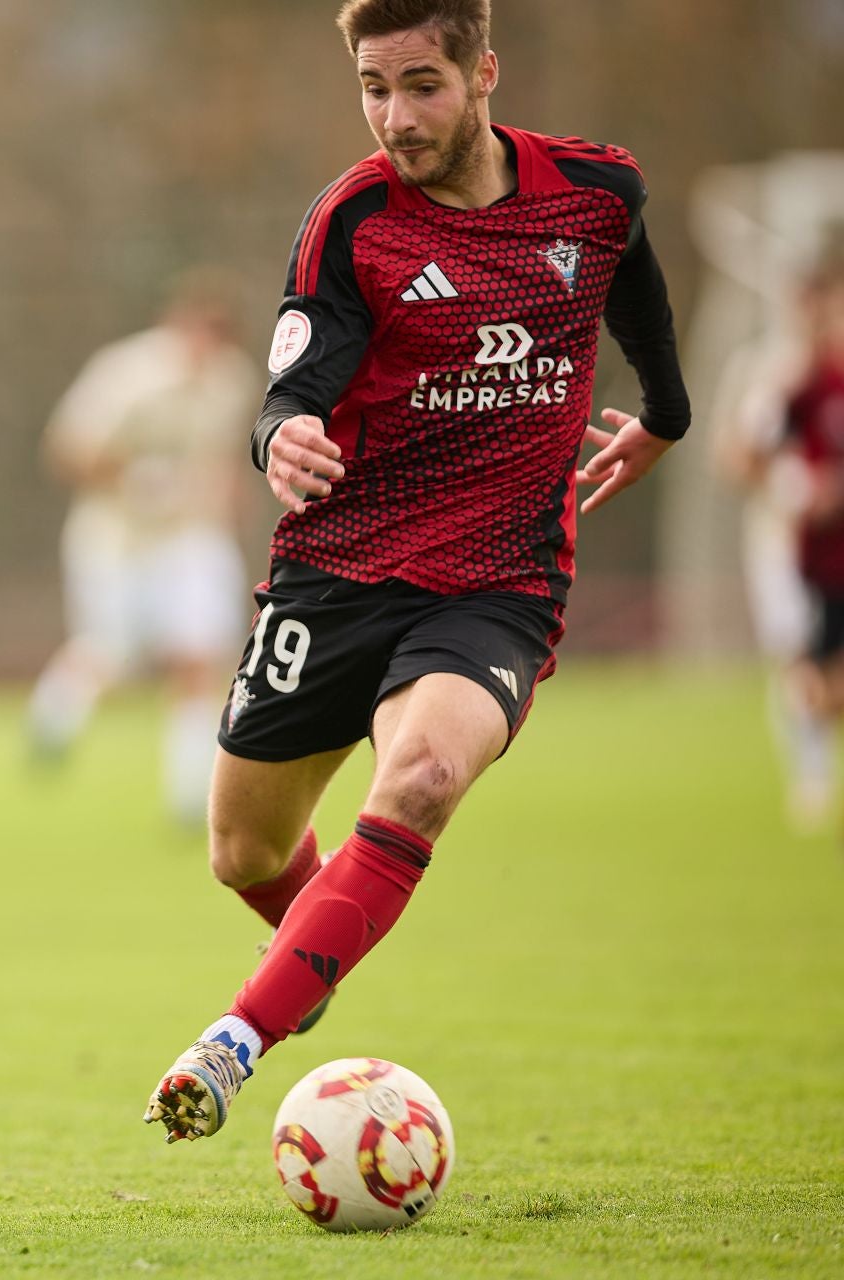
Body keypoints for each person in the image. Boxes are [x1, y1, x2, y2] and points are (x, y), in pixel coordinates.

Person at [140, 0, 689, 1144]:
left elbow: (629, 277)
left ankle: (234, 1040)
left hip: (497, 581)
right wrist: (277, 432)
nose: (396, 115)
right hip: (335, 573)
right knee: (241, 847)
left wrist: (667, 414)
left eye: (422, 85)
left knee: (425, 774)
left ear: (485, 71)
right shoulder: (352, 221)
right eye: (373, 88)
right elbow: (299, 371)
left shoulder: (596, 192)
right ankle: (312, 953)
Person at [27, 271, 262, 825]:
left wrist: (227, 492)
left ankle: (192, 796)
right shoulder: (128, 375)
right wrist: (136, 478)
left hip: (188, 536)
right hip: (117, 535)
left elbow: (223, 456)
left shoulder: (233, 381)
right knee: (109, 652)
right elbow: (65, 451)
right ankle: (52, 721)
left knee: (198, 655)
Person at [722, 257, 844, 828]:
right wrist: (788, 485)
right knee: (797, 656)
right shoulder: (773, 373)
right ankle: (812, 778)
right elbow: (738, 456)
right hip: (783, 540)